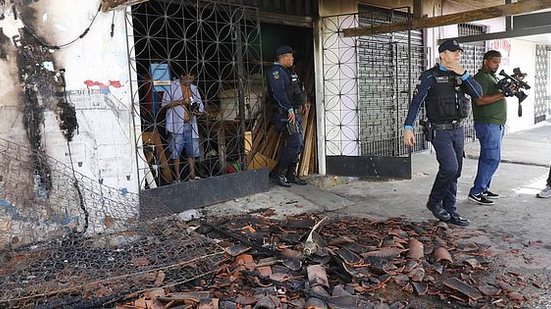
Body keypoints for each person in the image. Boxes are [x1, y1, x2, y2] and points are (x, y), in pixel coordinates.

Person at [403, 39, 483, 226]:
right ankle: (434, 202)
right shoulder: (429, 76)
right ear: (442, 54)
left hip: (458, 130)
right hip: (440, 131)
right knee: (449, 168)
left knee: (455, 172)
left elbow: (477, 93)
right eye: (453, 52)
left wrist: (463, 74)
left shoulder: (459, 76)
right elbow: (416, 103)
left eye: (459, 52)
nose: (458, 55)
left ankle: (450, 210)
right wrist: (408, 128)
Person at [467, 50, 508, 205]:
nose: (497, 65)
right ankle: (476, 192)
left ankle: (483, 188)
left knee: (487, 158)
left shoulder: (492, 77)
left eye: (499, 62)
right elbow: (480, 101)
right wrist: (503, 94)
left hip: (496, 124)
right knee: (492, 159)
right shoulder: (480, 78)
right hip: (488, 124)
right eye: (494, 62)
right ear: (485, 61)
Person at [266, 45, 308, 187]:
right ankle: (279, 174)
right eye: (291, 56)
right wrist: (289, 108)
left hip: (293, 113)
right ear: (284, 57)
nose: (292, 59)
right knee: (294, 144)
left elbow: (294, 91)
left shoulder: (287, 72)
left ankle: (291, 175)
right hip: (285, 114)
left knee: (299, 145)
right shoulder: (276, 72)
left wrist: (301, 103)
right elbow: (279, 94)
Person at [162, 70, 204, 182]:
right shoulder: (172, 86)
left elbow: (201, 106)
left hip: (190, 124)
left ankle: (192, 175)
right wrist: (181, 101)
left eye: (192, 78)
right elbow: (165, 104)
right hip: (176, 125)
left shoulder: (194, 88)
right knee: (176, 153)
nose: (190, 81)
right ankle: (178, 178)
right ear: (182, 75)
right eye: (188, 78)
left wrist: (197, 111)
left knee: (192, 152)